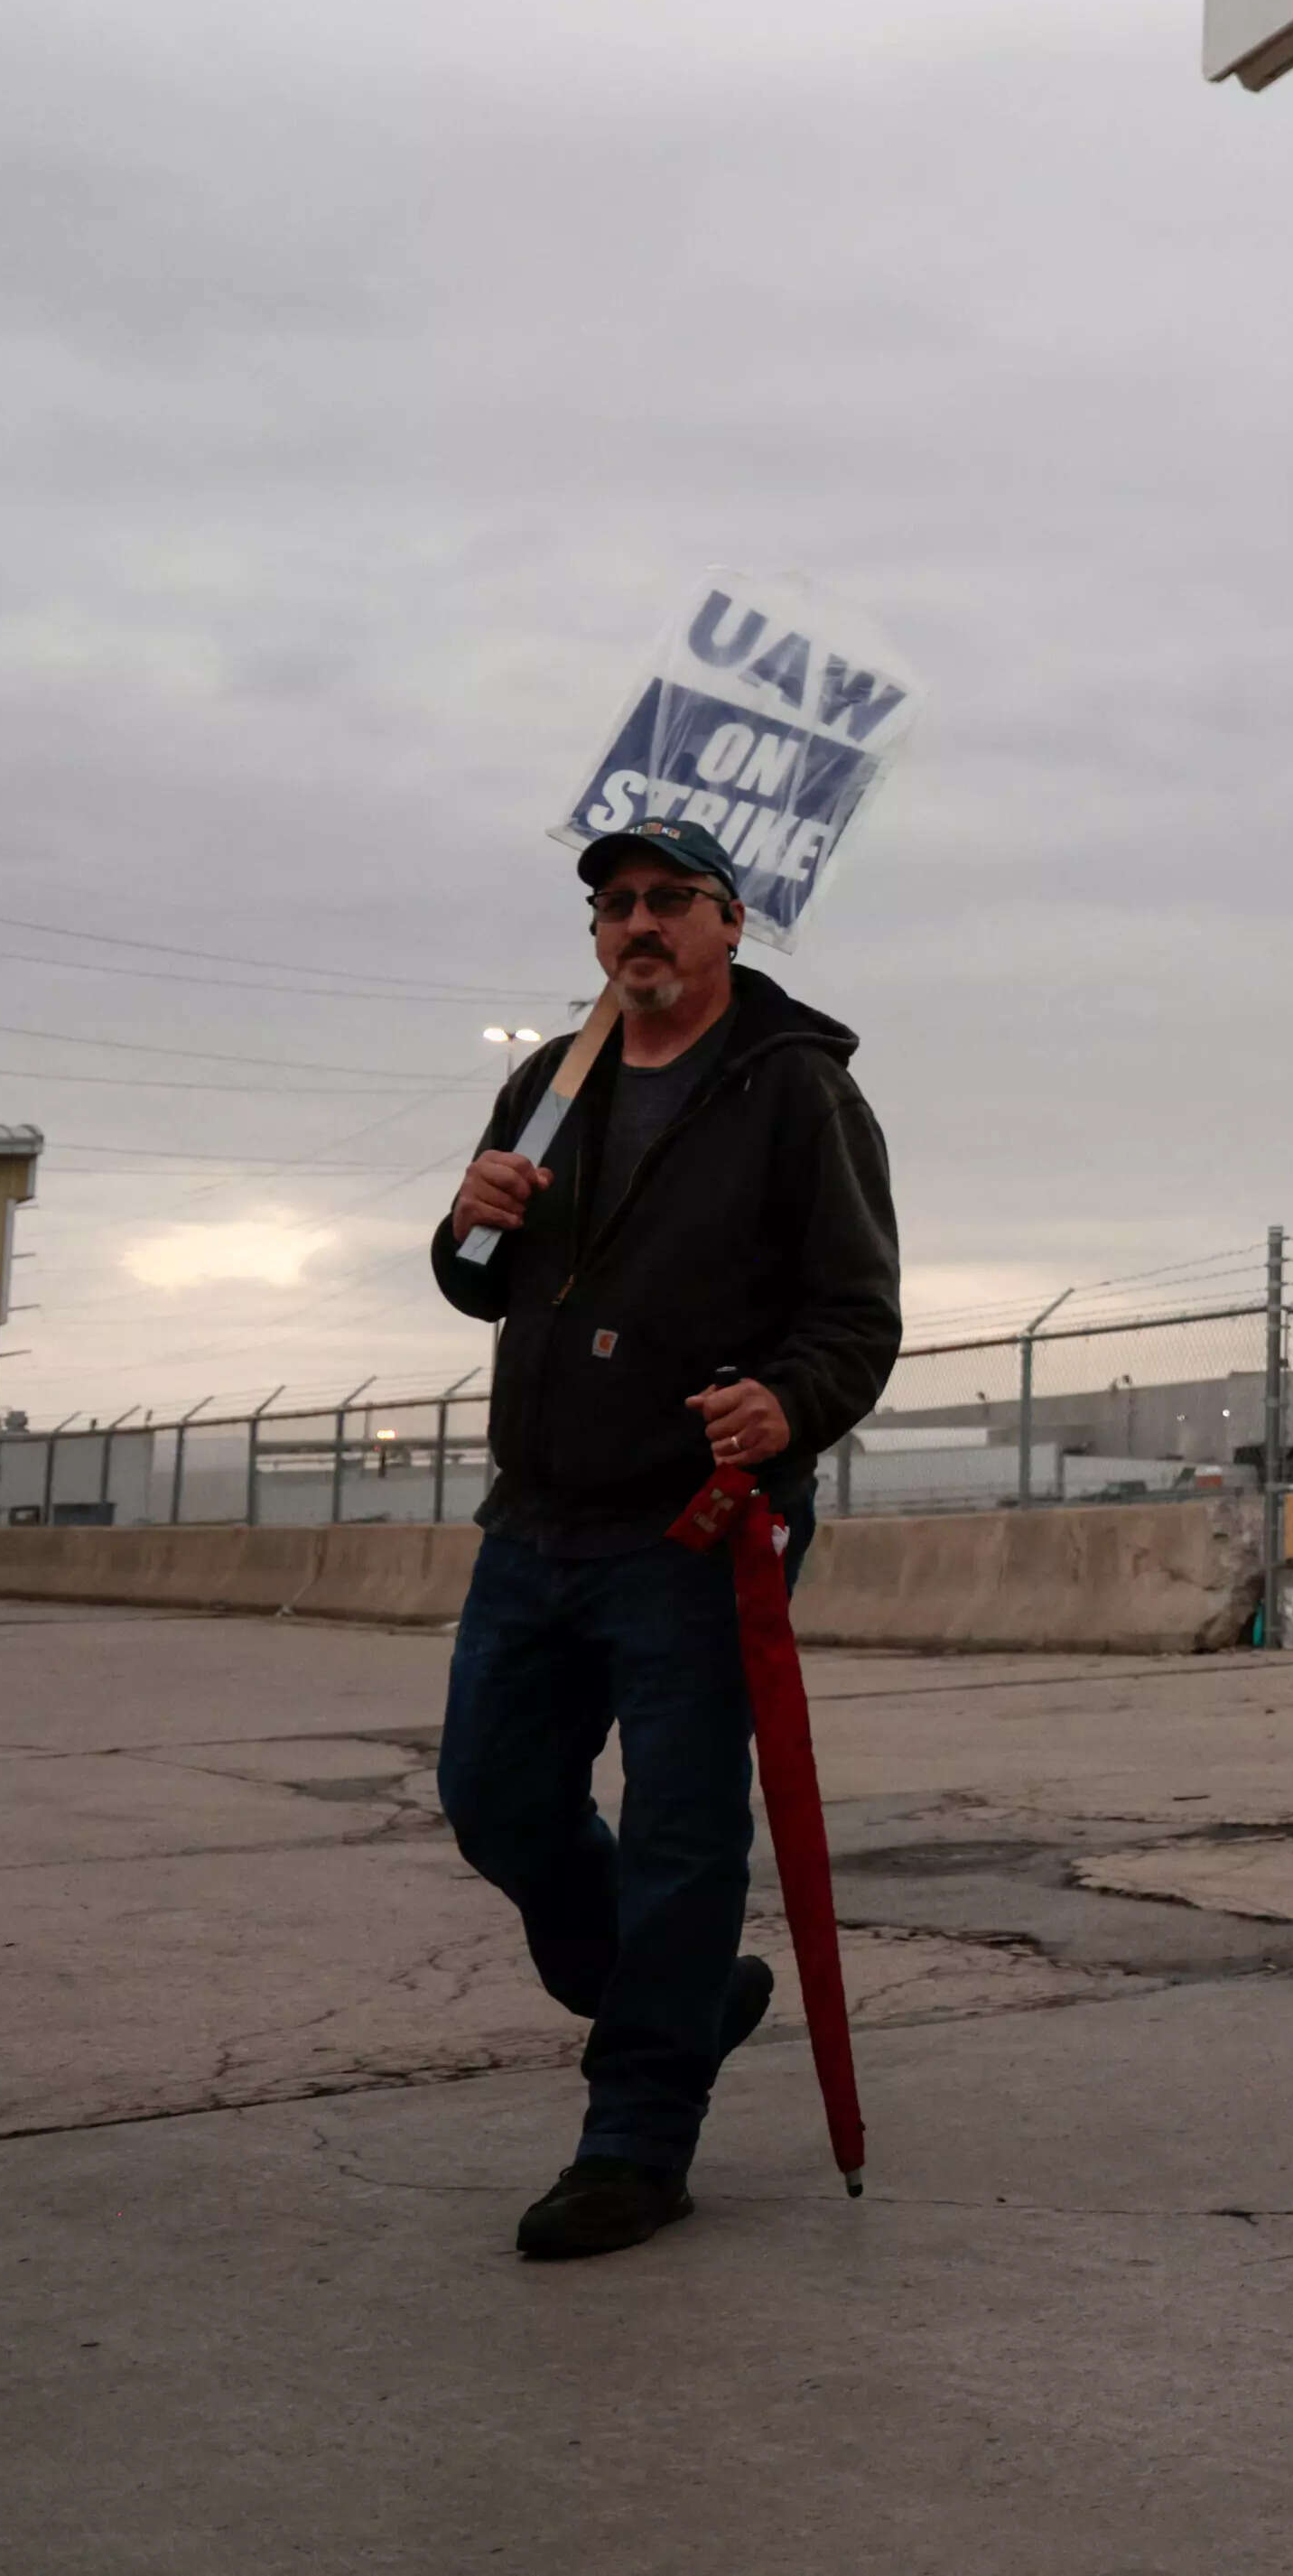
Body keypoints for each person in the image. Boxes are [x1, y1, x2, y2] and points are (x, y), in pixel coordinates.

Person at [429, 816, 899, 2261]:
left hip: (697, 1524)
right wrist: (464, 1224)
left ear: (730, 922)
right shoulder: (548, 1083)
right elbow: (481, 1287)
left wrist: (788, 1402)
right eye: (616, 905)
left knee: (682, 1828)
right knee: (494, 1795)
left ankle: (635, 2138)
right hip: (537, 1517)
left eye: (670, 901)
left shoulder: (791, 1090)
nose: (639, 923)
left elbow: (855, 1314)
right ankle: (673, 1992)